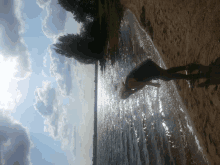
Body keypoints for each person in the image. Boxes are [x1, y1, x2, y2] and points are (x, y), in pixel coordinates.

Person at [120, 59, 198, 99]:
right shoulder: (128, 83)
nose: (128, 96)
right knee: (167, 73)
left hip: (150, 69)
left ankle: (189, 77)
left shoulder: (130, 85)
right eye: (128, 96)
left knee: (167, 77)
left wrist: (154, 84)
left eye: (127, 95)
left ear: (125, 92)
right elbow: (141, 85)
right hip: (148, 68)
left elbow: (144, 83)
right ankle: (187, 68)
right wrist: (133, 92)